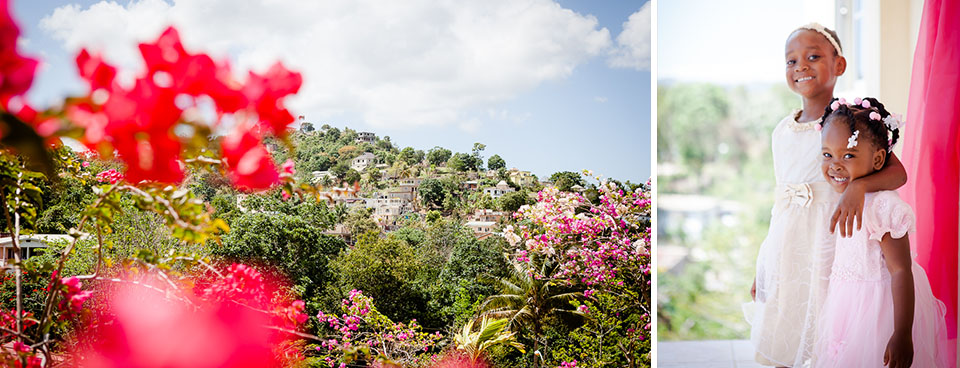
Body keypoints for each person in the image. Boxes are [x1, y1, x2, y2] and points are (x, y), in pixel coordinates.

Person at [744, 23, 908, 367]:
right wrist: (765, 263)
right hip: (790, 244)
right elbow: (781, 203)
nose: (800, 66)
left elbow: (898, 173)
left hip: (831, 238)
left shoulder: (850, 122)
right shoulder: (781, 130)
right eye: (791, 61)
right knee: (788, 321)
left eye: (813, 57)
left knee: (826, 322)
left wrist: (859, 186)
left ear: (839, 66)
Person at [812, 97, 948, 367]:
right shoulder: (846, 195)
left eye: (848, 155)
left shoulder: (885, 207)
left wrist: (901, 333)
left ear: (877, 159)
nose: (835, 165)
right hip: (847, 305)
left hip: (880, 310)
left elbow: (901, 270)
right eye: (828, 154)